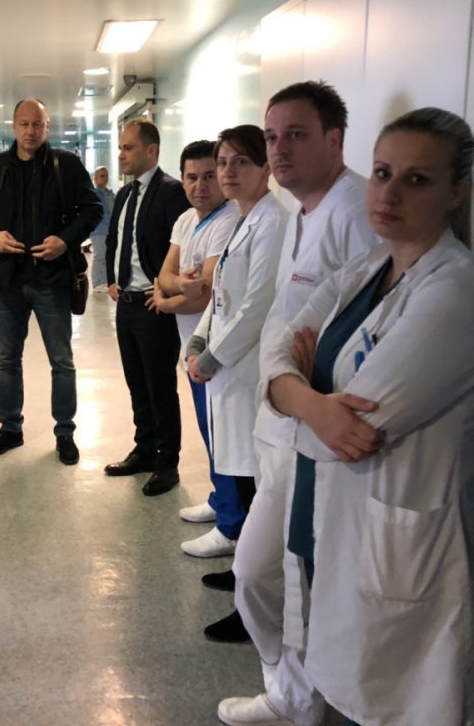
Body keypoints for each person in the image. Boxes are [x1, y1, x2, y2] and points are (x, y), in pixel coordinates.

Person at [262, 107, 474, 726]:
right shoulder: (366, 270)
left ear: (456, 192)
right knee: (339, 668)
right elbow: (277, 348)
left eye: (417, 179)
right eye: (382, 173)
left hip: (395, 525)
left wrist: (291, 391)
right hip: (329, 503)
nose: (388, 193)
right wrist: (310, 401)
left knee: (394, 694)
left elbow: (358, 427)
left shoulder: (454, 292)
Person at [217, 81, 377, 725]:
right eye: (272, 136)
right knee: (268, 575)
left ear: (334, 140)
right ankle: (289, 689)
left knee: (275, 574)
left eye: (296, 135)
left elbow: (359, 337)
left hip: (314, 430)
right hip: (281, 420)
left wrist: (305, 377)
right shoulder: (300, 210)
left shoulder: (355, 214)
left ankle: (301, 699)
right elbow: (291, 327)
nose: (278, 149)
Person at [182, 126, 288, 643]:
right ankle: (242, 573)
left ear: (266, 166)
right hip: (226, 369)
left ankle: (255, 605)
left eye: (240, 162)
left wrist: (212, 356)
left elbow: (257, 304)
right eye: (223, 162)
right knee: (239, 477)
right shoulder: (244, 219)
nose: (227, 172)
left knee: (253, 486)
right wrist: (198, 341)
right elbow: (221, 296)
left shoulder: (274, 221)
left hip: (246, 373)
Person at [0, 98, 102, 465]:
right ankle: (10, 428)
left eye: (37, 124)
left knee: (62, 361)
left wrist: (66, 240)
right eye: (24, 124)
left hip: (51, 281)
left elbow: (92, 209)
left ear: (47, 126)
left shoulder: (65, 165)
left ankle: (65, 433)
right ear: (14, 126)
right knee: (7, 360)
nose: (30, 131)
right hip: (8, 282)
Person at [150, 139, 241, 539]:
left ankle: (231, 523)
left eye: (208, 176)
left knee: (224, 435)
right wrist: (176, 287)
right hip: (192, 349)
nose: (199, 186)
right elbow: (164, 274)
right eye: (192, 177)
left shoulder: (229, 221)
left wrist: (165, 302)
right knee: (209, 429)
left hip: (217, 350)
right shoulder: (187, 219)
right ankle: (221, 500)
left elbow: (205, 294)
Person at [104, 119, 190, 496]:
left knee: (160, 388)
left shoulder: (171, 192)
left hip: (154, 306)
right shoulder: (125, 194)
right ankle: (144, 451)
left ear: (151, 151)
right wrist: (112, 278)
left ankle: (167, 463)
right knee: (137, 384)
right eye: (121, 148)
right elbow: (115, 239)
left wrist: (166, 292)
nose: (121, 155)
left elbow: (182, 247)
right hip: (126, 304)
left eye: (129, 148)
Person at [90, 165, 114, 291]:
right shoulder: (93, 194)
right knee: (99, 256)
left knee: (107, 257)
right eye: (102, 176)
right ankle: (98, 283)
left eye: (106, 175)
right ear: (95, 178)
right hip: (99, 230)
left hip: (110, 230)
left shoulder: (110, 194)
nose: (105, 178)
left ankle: (105, 281)